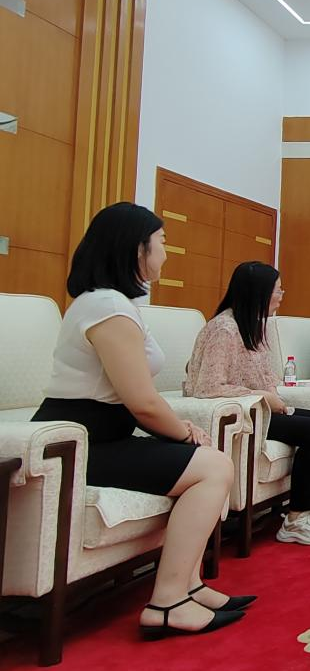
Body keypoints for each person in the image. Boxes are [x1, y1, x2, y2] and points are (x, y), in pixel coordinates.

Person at [32, 203, 250, 639]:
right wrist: (185, 431)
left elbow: (136, 401)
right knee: (213, 467)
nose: (166, 252)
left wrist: (184, 433)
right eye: (162, 242)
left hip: (105, 435)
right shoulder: (106, 306)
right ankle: (167, 602)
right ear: (138, 249)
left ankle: (189, 584)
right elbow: (141, 402)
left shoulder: (114, 303)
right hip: (81, 444)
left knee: (208, 460)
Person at [184, 262, 310, 546]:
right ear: (259, 292)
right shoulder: (224, 329)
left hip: (263, 409)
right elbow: (208, 386)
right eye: (278, 290)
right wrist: (263, 397)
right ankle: (297, 518)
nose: (282, 295)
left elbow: (267, 377)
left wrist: (275, 395)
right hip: (246, 414)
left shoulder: (253, 326)